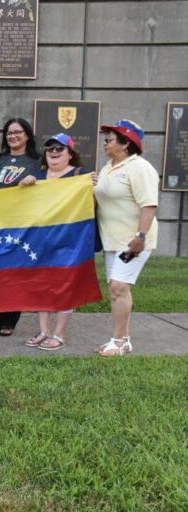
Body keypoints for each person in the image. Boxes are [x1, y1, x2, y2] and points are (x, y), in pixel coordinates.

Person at [19, 134, 94, 350]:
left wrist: (93, 186)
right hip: (41, 239)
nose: (53, 151)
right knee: (42, 283)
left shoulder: (81, 175)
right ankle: (44, 331)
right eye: (49, 147)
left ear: (70, 153)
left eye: (59, 148)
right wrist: (23, 185)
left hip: (71, 240)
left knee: (65, 284)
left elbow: (93, 204)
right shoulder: (37, 175)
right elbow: (22, 204)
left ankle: (59, 334)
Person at [93, 120, 159, 357]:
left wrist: (140, 237)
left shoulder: (140, 168)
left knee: (120, 287)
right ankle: (122, 339)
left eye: (109, 139)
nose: (105, 143)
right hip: (112, 240)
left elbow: (149, 204)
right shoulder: (108, 167)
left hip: (133, 242)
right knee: (115, 288)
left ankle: (119, 343)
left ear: (126, 143)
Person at [0, 117, 43, 337]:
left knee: (14, 272)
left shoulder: (37, 162)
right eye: (9, 133)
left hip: (22, 226)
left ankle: (9, 320)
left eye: (18, 132)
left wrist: (37, 182)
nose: (13, 136)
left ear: (27, 135)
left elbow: (52, 185)